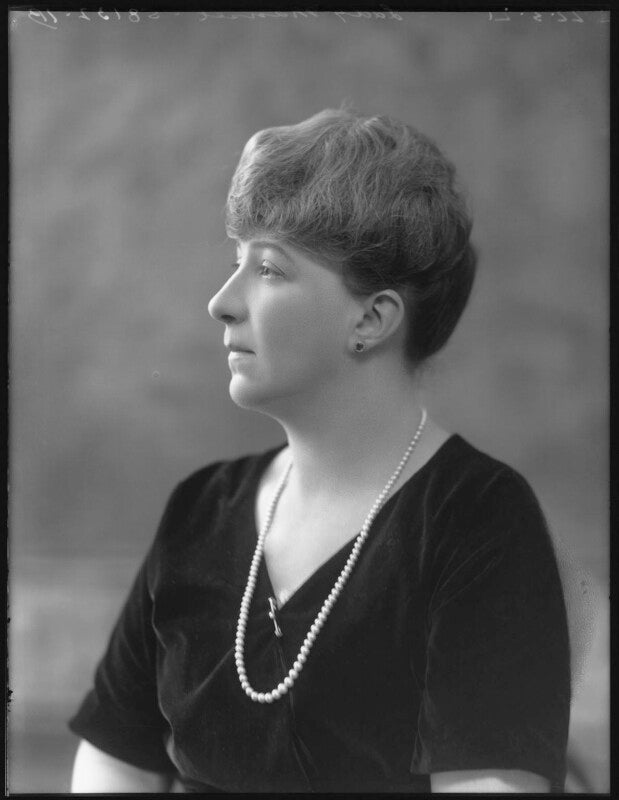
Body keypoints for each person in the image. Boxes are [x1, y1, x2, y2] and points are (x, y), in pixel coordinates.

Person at [69, 108, 571, 793]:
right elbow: (114, 757)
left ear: (371, 318)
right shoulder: (201, 508)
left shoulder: (476, 518)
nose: (222, 302)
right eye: (235, 263)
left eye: (268, 269)